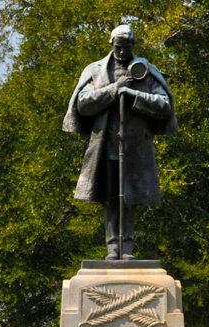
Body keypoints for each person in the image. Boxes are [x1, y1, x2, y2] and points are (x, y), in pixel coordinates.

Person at [63, 24, 177, 260]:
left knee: (130, 198)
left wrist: (134, 94)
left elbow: (164, 105)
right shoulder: (95, 71)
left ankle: (127, 248)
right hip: (105, 146)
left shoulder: (146, 71)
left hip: (135, 147)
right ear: (111, 45)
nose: (122, 52)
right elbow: (83, 104)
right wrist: (114, 89)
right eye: (118, 47)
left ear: (133, 45)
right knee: (109, 197)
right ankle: (112, 247)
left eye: (126, 47)